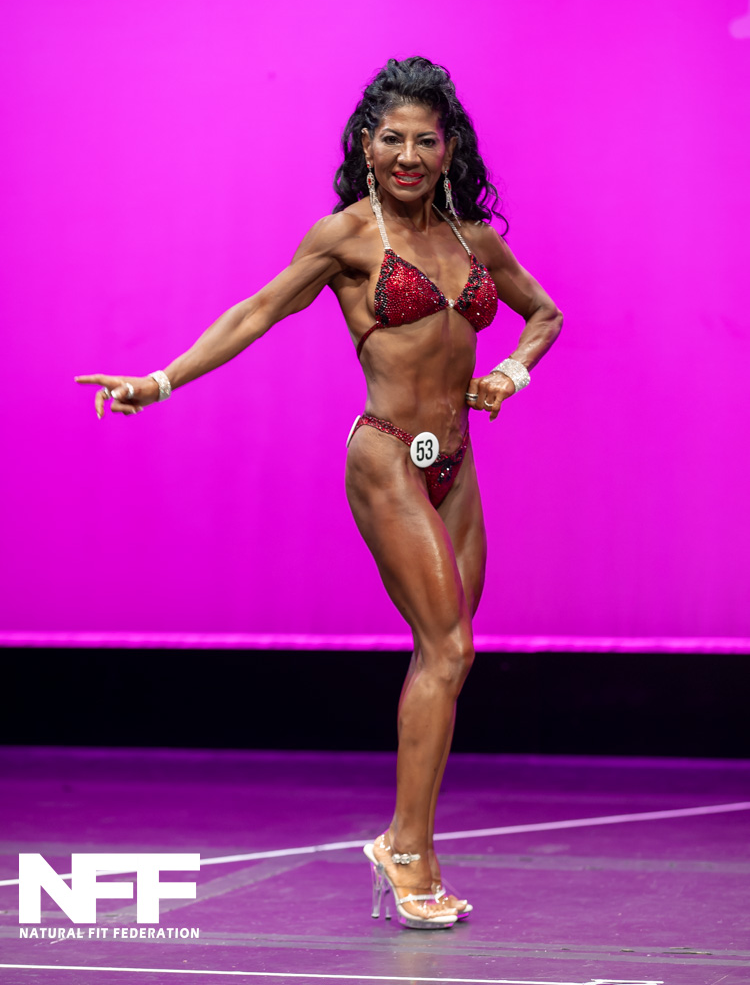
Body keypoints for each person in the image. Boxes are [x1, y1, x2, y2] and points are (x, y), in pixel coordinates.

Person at [76, 56, 563, 930]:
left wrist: (511, 375)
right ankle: (408, 854)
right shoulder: (346, 237)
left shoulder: (473, 242)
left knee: (444, 657)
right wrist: (159, 381)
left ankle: (406, 842)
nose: (408, 156)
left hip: (455, 464)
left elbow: (545, 315)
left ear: (449, 149)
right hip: (387, 458)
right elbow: (256, 311)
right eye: (392, 140)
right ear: (366, 148)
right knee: (449, 647)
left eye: (425, 140)